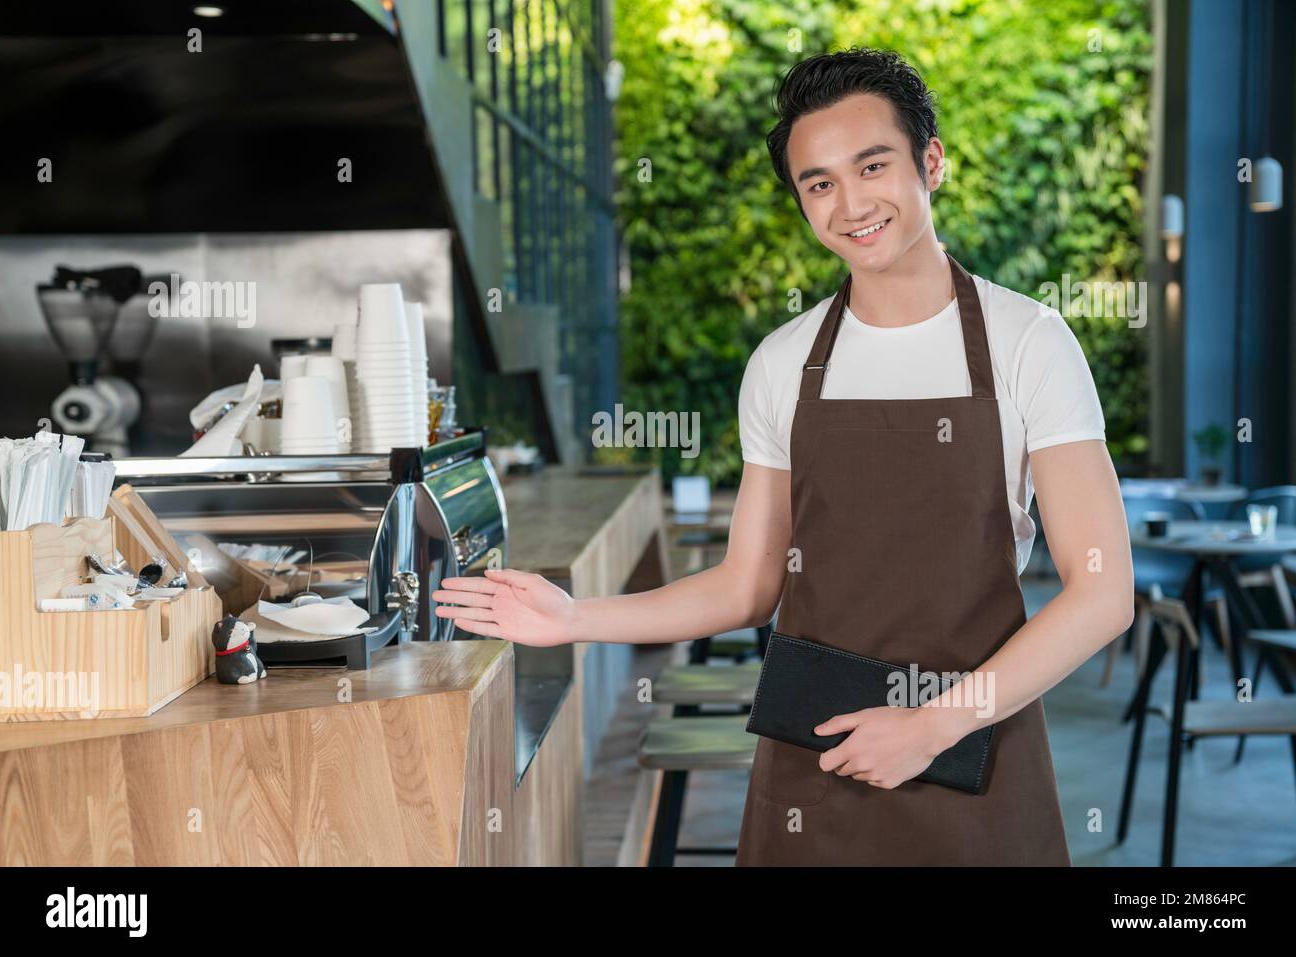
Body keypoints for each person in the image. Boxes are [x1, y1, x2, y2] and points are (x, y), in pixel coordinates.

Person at [432, 47, 1134, 866]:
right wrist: (574, 618)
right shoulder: (782, 365)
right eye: (819, 182)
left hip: (977, 760)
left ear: (930, 163)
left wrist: (936, 721)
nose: (850, 203)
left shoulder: (1030, 345)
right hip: (817, 768)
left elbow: (1103, 590)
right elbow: (750, 584)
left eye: (873, 165)